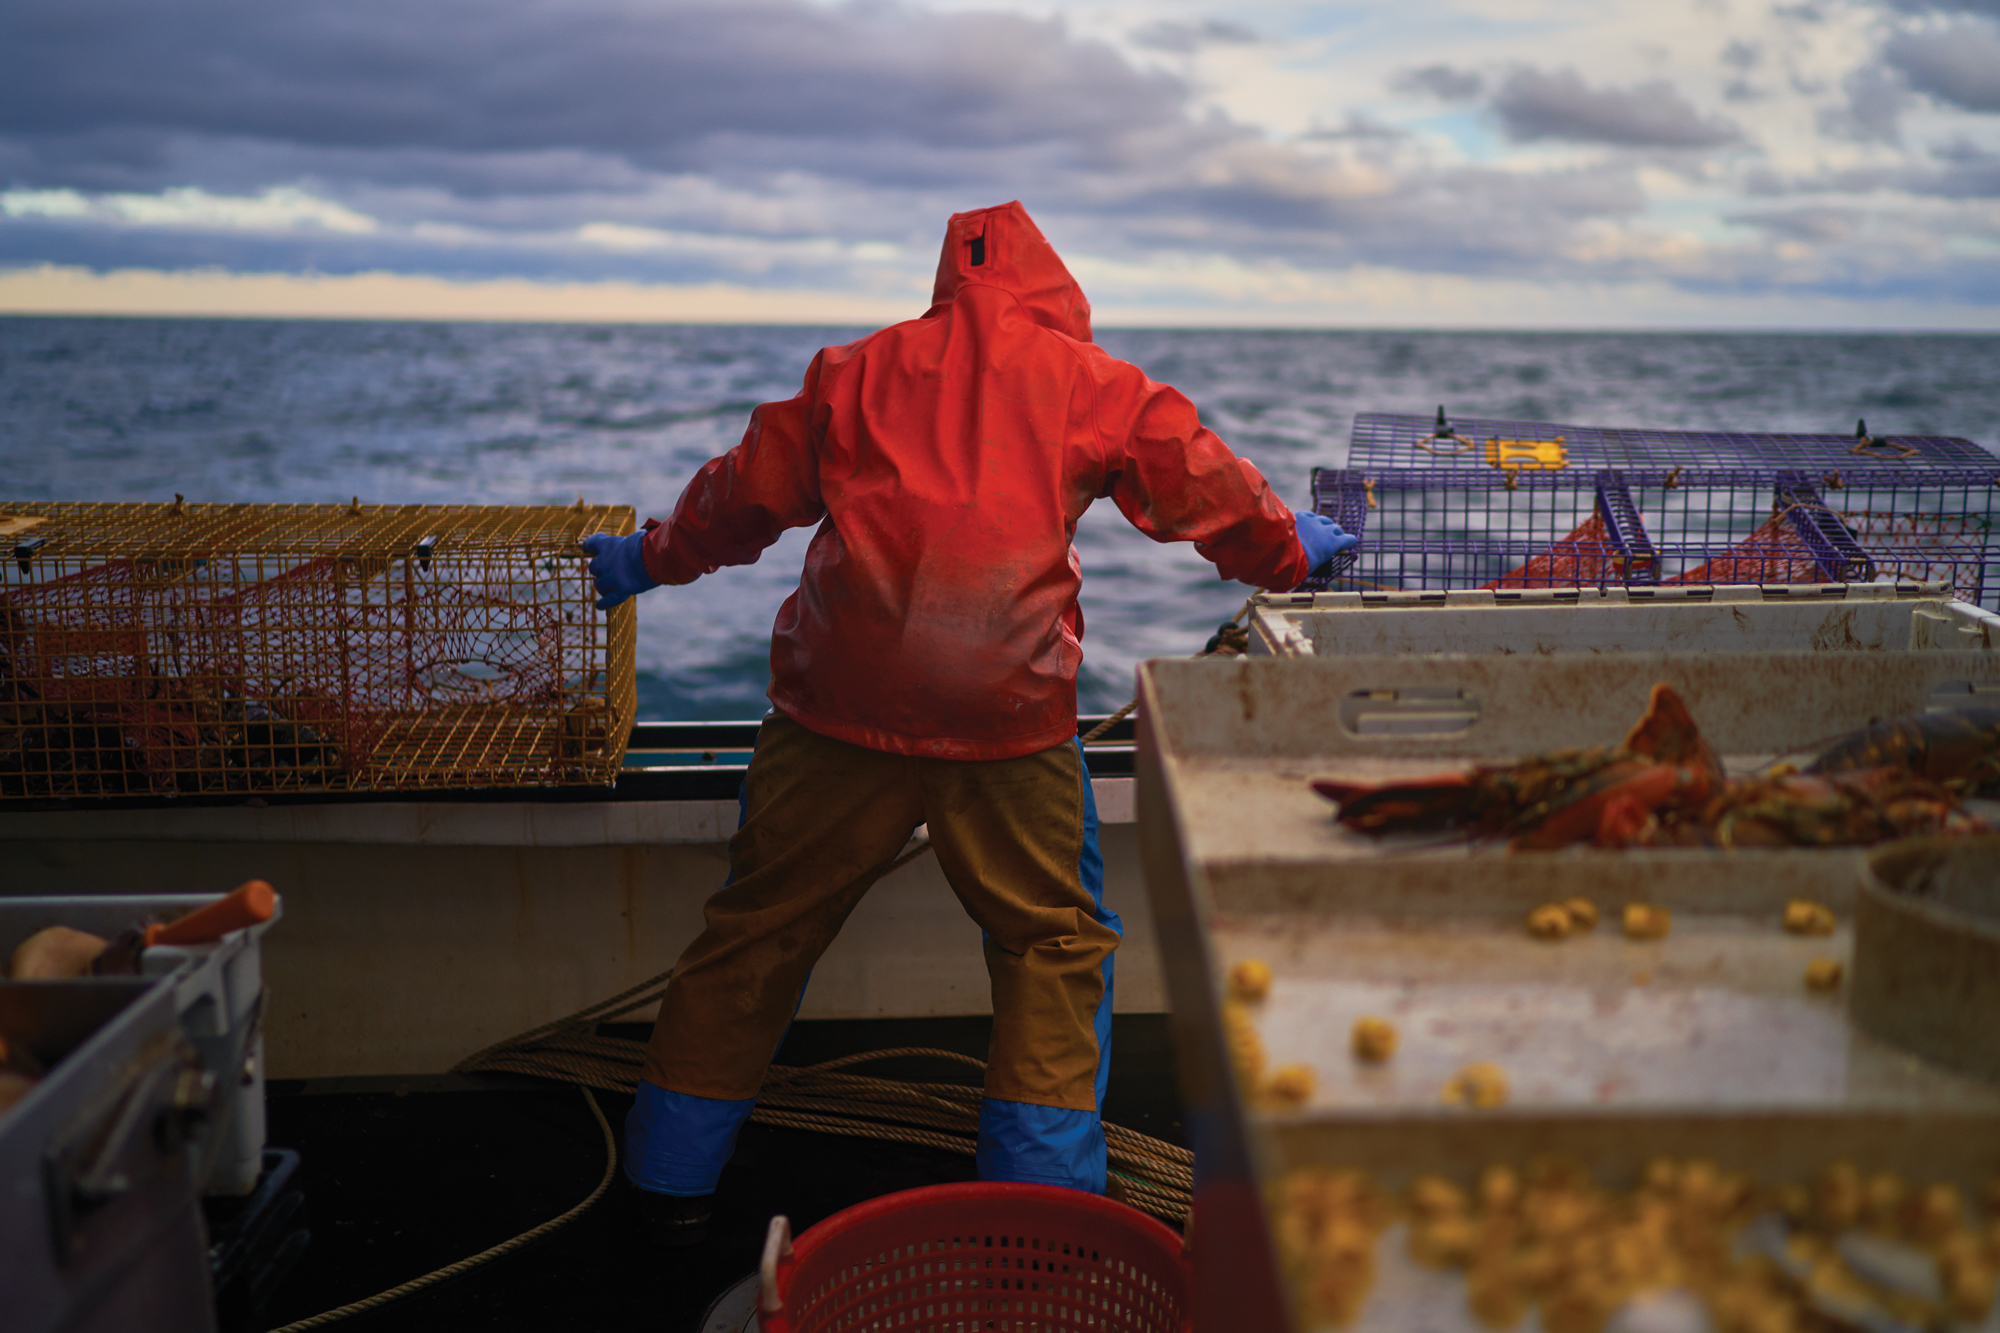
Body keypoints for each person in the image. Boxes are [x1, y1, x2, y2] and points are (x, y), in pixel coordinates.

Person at [581, 200, 1356, 1246]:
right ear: (1051, 285)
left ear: (947, 278)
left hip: (831, 714)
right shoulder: (1092, 384)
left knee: (756, 932)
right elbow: (1199, 483)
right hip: (1004, 720)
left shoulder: (849, 373)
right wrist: (1288, 551)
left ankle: (665, 1184)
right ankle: (1037, 1218)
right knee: (1050, 943)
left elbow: (737, 500)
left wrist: (644, 559)